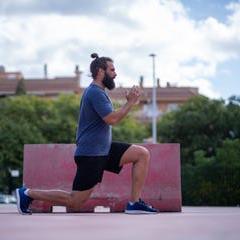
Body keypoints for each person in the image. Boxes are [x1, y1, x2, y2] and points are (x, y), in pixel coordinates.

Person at [16, 53, 159, 214]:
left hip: (103, 149)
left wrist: (128, 104)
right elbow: (111, 119)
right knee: (76, 201)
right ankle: (28, 193)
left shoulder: (99, 92)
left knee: (141, 154)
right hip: (91, 154)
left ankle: (134, 203)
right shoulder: (95, 92)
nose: (115, 73)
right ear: (100, 72)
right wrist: (130, 103)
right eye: (112, 70)